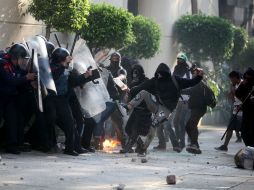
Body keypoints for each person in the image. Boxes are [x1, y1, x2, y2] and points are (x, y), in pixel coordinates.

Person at [43, 47, 94, 156]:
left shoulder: (65, 69)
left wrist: (86, 76)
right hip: (50, 99)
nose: (69, 60)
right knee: (50, 120)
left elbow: (74, 82)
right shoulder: (51, 68)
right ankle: (47, 145)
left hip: (62, 100)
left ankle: (70, 148)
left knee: (70, 124)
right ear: (61, 58)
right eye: (66, 58)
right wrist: (64, 65)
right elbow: (54, 76)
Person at [124, 63, 203, 128]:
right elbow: (141, 87)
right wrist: (130, 90)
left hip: (167, 109)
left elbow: (191, 82)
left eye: (161, 74)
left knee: (154, 124)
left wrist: (199, 76)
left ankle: (144, 146)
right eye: (158, 74)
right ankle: (128, 107)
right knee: (143, 92)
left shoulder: (176, 80)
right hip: (156, 104)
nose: (159, 76)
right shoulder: (155, 80)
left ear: (166, 73)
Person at [0, 43, 36, 154]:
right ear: (15, 57)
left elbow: (20, 79)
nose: (22, 61)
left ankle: (11, 146)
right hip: (1, 97)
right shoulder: (3, 63)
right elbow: (11, 80)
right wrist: (26, 78)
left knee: (12, 121)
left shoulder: (15, 66)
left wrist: (30, 82)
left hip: (10, 98)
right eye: (21, 58)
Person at [182, 69, 216, 154]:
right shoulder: (199, 83)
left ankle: (194, 144)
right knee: (188, 126)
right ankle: (195, 144)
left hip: (199, 108)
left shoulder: (198, 83)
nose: (192, 75)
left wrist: (180, 90)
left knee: (192, 124)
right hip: (196, 108)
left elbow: (190, 91)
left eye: (194, 74)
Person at [120, 64, 152, 154]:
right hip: (136, 109)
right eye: (133, 73)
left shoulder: (147, 81)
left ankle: (128, 148)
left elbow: (147, 94)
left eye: (136, 72)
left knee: (135, 130)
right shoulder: (133, 83)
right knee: (128, 129)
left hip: (145, 110)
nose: (135, 75)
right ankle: (141, 146)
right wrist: (127, 92)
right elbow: (130, 98)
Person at [215, 71, 242, 152]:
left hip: (242, 112)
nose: (231, 81)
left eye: (231, 79)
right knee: (229, 128)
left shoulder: (242, 85)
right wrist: (231, 91)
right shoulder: (234, 85)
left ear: (235, 77)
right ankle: (225, 146)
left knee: (244, 130)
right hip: (235, 110)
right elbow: (231, 96)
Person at [172, 53, 192, 150]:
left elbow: (189, 84)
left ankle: (182, 142)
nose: (179, 61)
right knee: (175, 122)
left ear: (184, 61)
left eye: (181, 60)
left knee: (181, 122)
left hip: (186, 100)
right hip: (178, 100)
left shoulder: (188, 71)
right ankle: (179, 140)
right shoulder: (176, 70)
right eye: (178, 59)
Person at [235, 68, 254, 147]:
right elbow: (237, 94)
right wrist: (242, 84)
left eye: (249, 77)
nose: (247, 79)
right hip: (246, 111)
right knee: (244, 132)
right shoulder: (244, 84)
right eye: (245, 77)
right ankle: (249, 147)